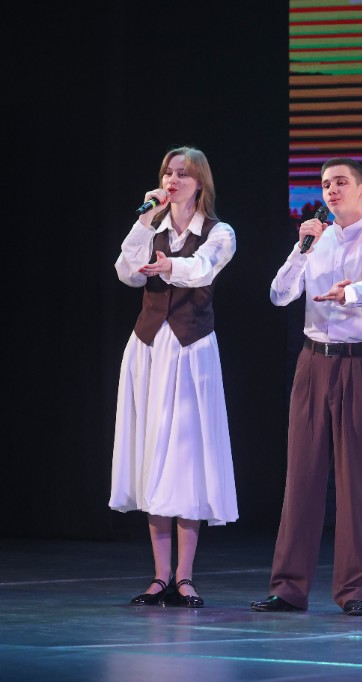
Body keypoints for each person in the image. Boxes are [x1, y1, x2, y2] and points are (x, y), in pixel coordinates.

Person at [251, 157, 362, 615]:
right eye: (325, 184)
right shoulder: (313, 240)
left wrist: (347, 293)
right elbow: (279, 295)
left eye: (340, 182)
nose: (331, 190)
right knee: (302, 478)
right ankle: (288, 588)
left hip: (360, 364)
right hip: (313, 363)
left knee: (357, 482)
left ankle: (355, 591)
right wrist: (302, 250)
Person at [110, 146, 238, 609]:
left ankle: (185, 577)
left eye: (182, 173)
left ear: (199, 182)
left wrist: (169, 266)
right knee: (152, 454)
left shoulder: (219, 232)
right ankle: (159, 576)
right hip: (149, 348)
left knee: (185, 457)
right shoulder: (153, 227)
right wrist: (145, 221)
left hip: (190, 350)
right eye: (168, 172)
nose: (173, 179)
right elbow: (126, 273)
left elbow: (202, 269)